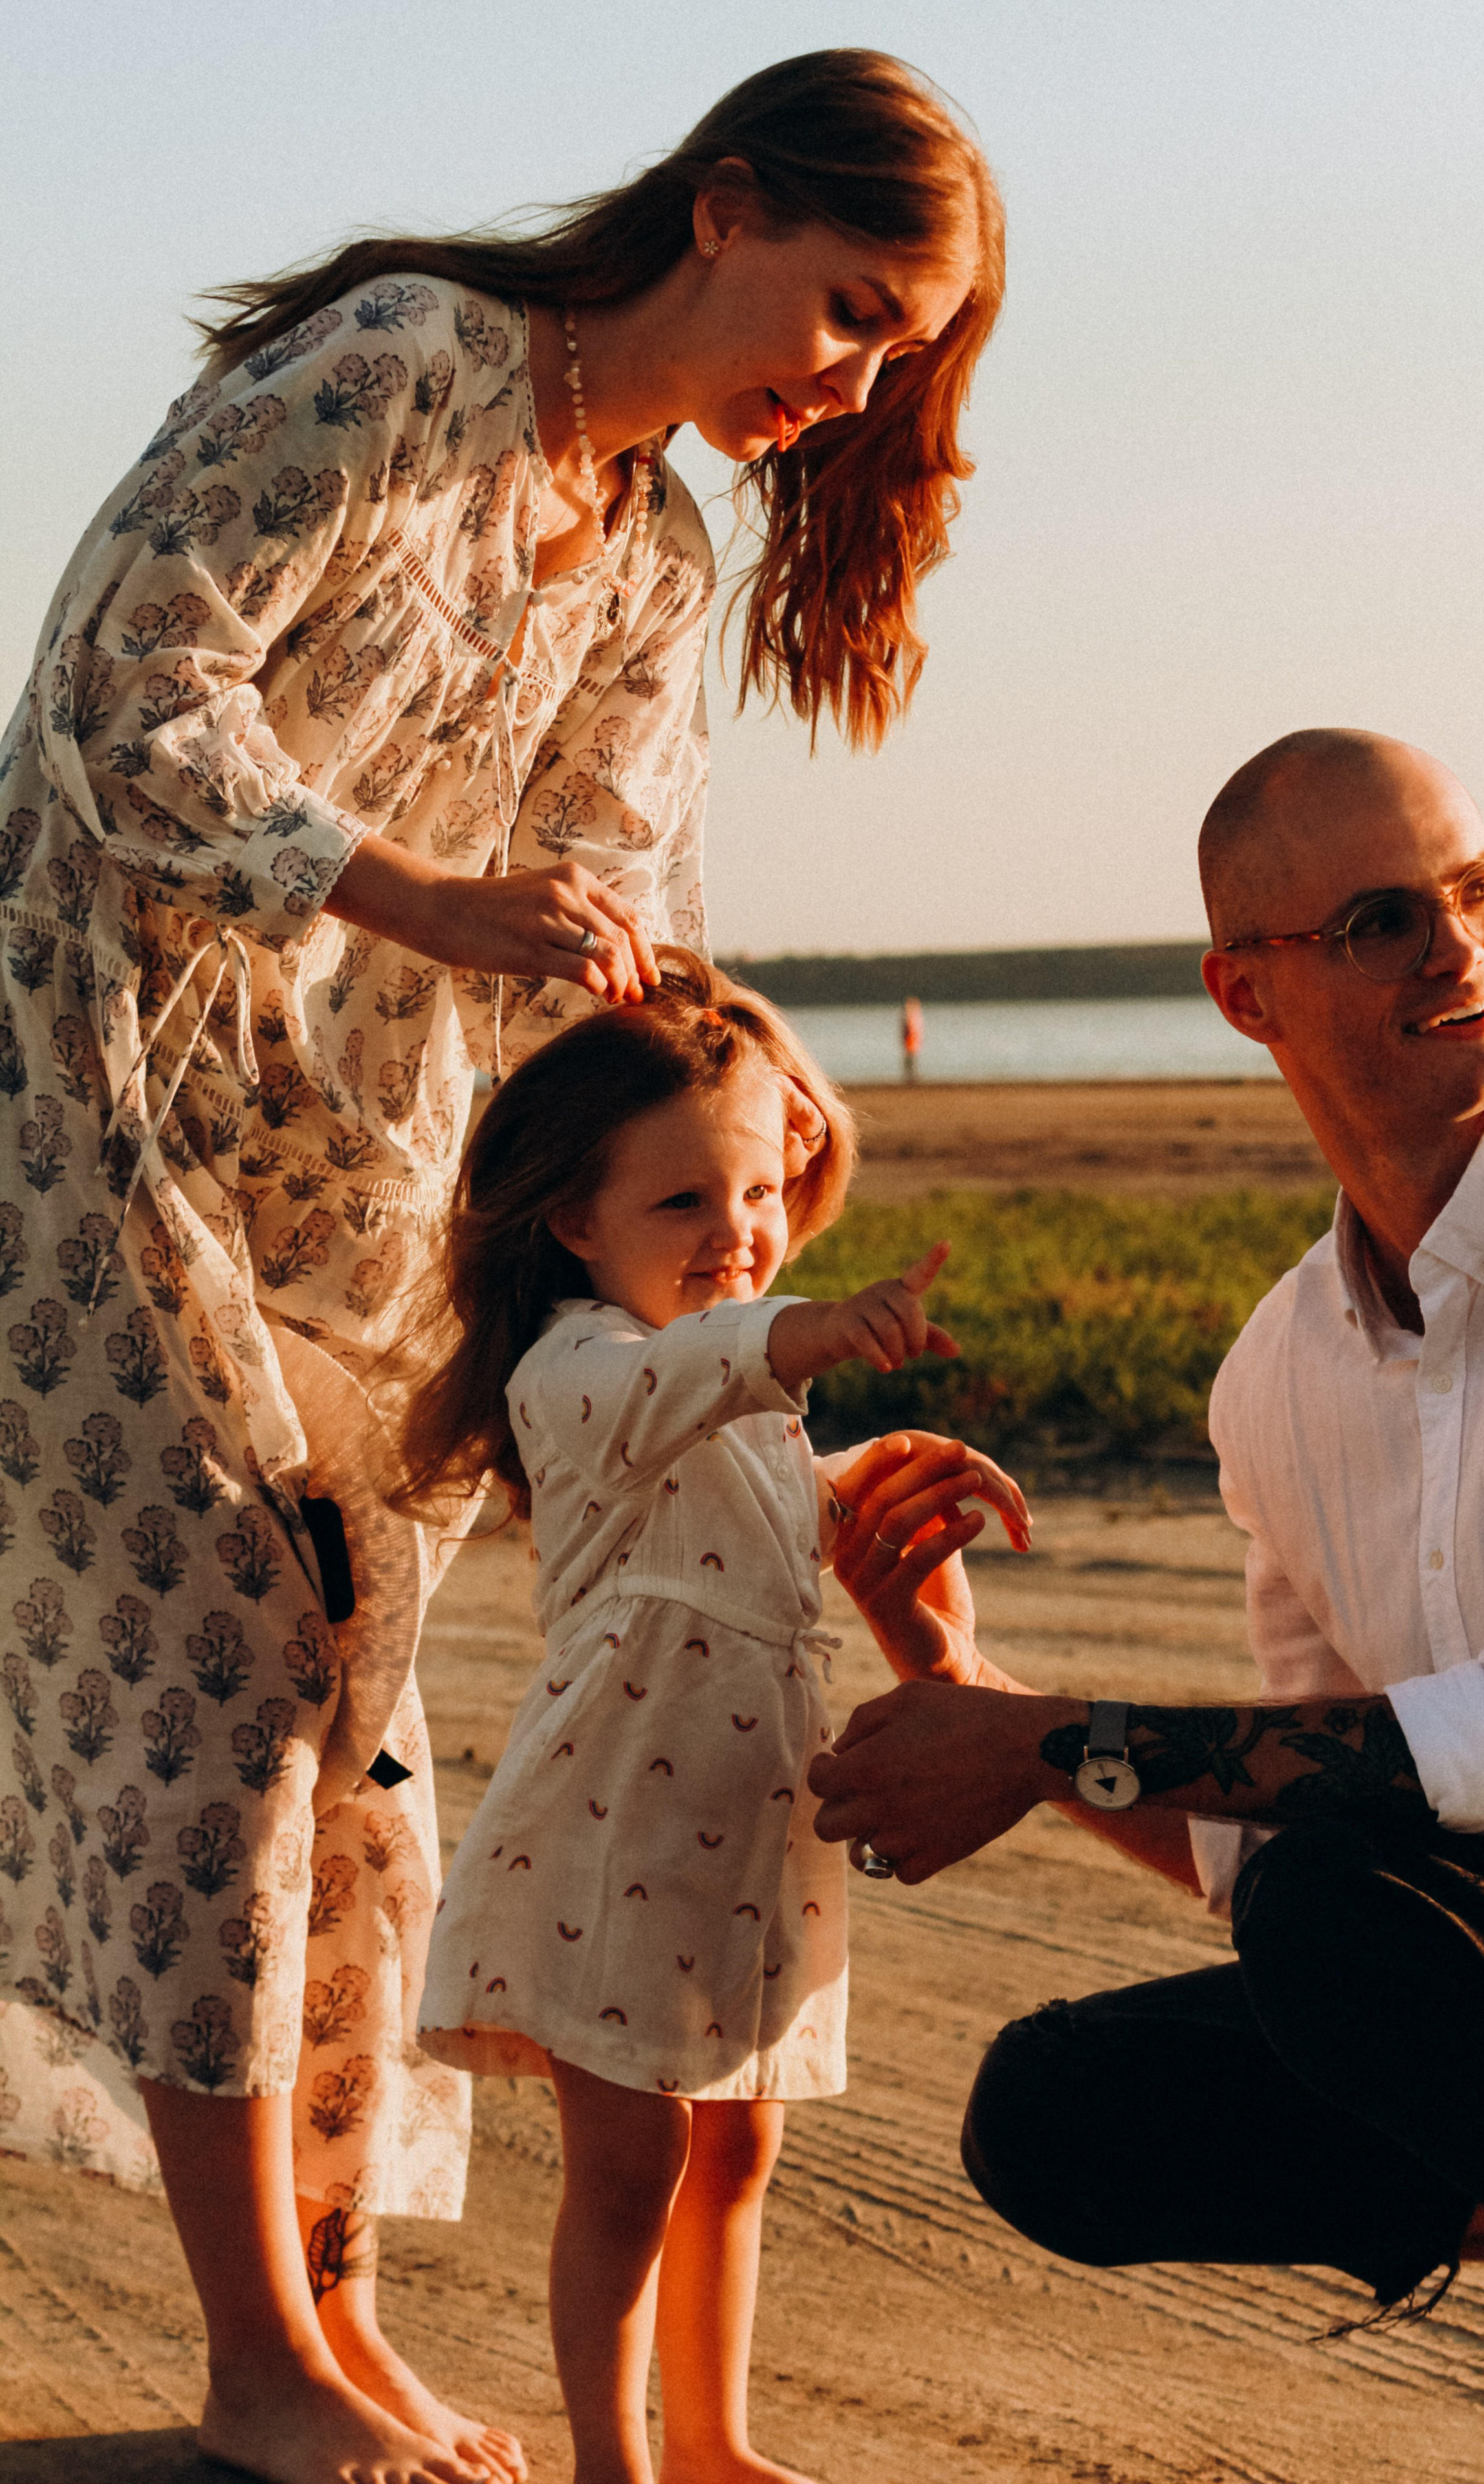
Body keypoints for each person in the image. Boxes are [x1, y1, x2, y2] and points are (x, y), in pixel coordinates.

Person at [0, 50, 1003, 2484]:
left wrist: (750, 1077)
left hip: (388, 1180)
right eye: (851, 311)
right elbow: (113, 701)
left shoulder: (652, 553)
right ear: (725, 204)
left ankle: (331, 2338)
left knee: (353, 1719)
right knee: (217, 1687)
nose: (850, 383)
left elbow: (612, 930)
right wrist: (411, 894)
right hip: (112, 1113)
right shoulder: (404, 364)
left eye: (897, 354)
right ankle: (255, 2371)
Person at [809, 728, 1484, 2453]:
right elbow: (1258, 1847)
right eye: (1381, 920)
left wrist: (1052, 1743)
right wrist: (979, 1687)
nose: (1465, 950)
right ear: (1243, 993)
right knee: (1058, 2107)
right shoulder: (1274, 1376)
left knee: (1349, 1922)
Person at [395, 953, 1029, 2484]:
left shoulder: (731, 1395)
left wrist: (890, 1467)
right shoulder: (581, 1370)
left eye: (753, 1194)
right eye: (681, 1205)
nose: (735, 1234)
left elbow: (759, 1488)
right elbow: (700, 1367)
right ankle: (616, 2460)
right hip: (614, 1834)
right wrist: (816, 1325)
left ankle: (713, 2446)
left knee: (737, 2149)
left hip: (746, 1838)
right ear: (573, 1224)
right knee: (630, 2167)